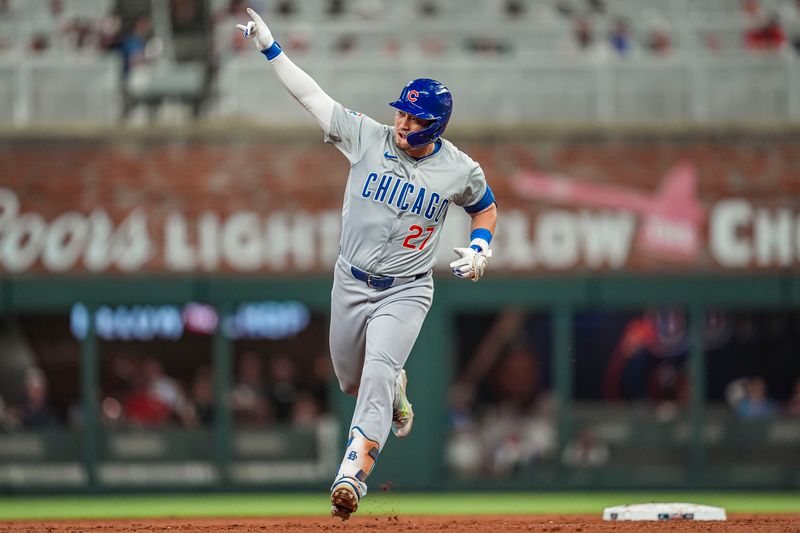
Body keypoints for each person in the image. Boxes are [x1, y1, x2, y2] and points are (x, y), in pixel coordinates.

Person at [236, 8, 498, 520]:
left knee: (378, 370)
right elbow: (312, 97)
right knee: (352, 381)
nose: (402, 122)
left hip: (407, 288)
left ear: (437, 124)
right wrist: (271, 47)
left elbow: (483, 205)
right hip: (350, 281)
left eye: (414, 118)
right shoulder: (367, 136)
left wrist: (481, 246)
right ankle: (394, 390)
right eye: (401, 112)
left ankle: (352, 474)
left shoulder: (459, 168)